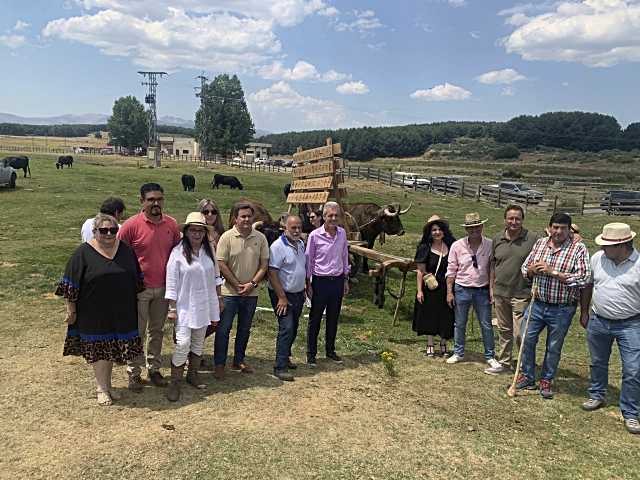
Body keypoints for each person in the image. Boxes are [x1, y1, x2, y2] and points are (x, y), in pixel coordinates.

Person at [56, 214, 143, 406]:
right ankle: (101, 388)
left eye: (113, 230)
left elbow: (136, 278)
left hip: (121, 311)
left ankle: (109, 386)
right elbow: (70, 284)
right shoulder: (83, 252)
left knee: (111, 349)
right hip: (93, 312)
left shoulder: (125, 250)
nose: (109, 234)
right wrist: (71, 310)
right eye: (103, 230)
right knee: (99, 351)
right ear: (94, 232)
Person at [516, 212, 591, 399]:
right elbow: (525, 268)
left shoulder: (578, 249)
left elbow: (584, 278)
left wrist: (554, 273)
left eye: (563, 228)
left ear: (569, 229)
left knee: (554, 346)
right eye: (555, 227)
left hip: (562, 308)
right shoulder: (541, 243)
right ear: (549, 228)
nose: (558, 231)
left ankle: (546, 379)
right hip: (537, 304)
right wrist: (531, 270)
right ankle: (527, 376)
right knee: (525, 338)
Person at [118, 183, 181, 391]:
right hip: (139, 289)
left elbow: (178, 255)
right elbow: (118, 253)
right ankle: (134, 373)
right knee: (138, 332)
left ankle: (153, 368)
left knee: (157, 330)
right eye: (151, 199)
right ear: (141, 201)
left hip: (163, 288)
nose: (156, 203)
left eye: (159, 199)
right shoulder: (131, 225)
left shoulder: (171, 225)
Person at [579, 222, 640, 434]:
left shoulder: (639, 264)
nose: (603, 248)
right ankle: (597, 395)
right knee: (598, 362)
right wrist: (585, 311)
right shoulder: (598, 258)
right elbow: (588, 285)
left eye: (607, 245)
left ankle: (631, 412)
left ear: (623, 245)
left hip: (631, 323)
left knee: (633, 369)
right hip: (599, 320)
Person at [164, 212, 223, 402]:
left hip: (205, 305)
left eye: (200, 230)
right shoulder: (177, 253)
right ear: (186, 232)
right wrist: (171, 308)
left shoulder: (209, 251)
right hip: (184, 307)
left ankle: (193, 374)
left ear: (205, 233)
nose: (197, 234)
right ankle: (175, 382)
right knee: (182, 344)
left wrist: (219, 299)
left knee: (198, 342)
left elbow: (216, 277)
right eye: (193, 230)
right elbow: (171, 283)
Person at [214, 201, 269, 378]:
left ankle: (239, 360)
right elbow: (221, 263)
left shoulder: (260, 238)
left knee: (244, 329)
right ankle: (220, 364)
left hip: (251, 293)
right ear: (235, 219)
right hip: (230, 292)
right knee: (223, 329)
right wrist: (236, 284)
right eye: (242, 216)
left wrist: (251, 284)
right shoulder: (226, 237)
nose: (246, 219)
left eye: (249, 216)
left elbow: (264, 264)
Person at [486, 205, 539, 375]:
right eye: (510, 218)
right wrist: (491, 287)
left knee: (519, 333)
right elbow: (493, 264)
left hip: (521, 293)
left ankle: (524, 365)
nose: (514, 222)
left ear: (522, 220)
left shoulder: (532, 239)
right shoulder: (497, 239)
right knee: (504, 330)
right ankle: (505, 362)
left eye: (517, 218)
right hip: (500, 292)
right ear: (505, 220)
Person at [445, 212, 499, 371]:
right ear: (466, 229)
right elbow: (451, 270)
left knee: (486, 324)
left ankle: (490, 356)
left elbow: (492, 269)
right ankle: (458, 352)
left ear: (482, 227)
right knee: (460, 323)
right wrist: (449, 291)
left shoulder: (490, 244)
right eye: (470, 227)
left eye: (477, 226)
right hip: (462, 288)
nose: (474, 230)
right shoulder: (457, 245)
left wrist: (491, 290)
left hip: (482, 290)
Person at [305, 201, 350, 367]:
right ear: (323, 217)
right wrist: (307, 283)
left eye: (336, 215)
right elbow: (309, 260)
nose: (333, 218)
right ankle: (311, 354)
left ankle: (330, 350)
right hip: (320, 281)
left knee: (333, 317)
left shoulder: (343, 234)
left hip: (337, 280)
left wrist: (345, 278)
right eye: (330, 215)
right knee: (315, 318)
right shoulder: (314, 236)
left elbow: (345, 256)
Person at [268, 214, 307, 381]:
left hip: (297, 293)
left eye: (299, 227)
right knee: (287, 327)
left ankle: (286, 356)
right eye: (293, 228)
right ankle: (280, 367)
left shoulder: (301, 244)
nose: (297, 231)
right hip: (282, 294)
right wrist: (282, 297)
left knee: (294, 326)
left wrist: (305, 287)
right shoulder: (277, 247)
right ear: (285, 228)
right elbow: (272, 273)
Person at [413, 215, 456, 357]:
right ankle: (430, 343)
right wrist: (419, 290)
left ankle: (443, 343)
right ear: (429, 232)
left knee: (446, 315)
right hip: (430, 286)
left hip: (447, 287)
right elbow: (420, 271)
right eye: (434, 230)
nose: (437, 232)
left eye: (439, 229)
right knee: (429, 314)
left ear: (444, 231)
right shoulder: (425, 247)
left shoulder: (451, 246)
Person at [197, 198, 225, 370]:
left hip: (214, 281)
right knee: (195, 318)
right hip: (196, 281)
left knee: (213, 320)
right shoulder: (194, 232)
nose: (209, 215)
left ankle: (196, 350)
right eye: (205, 211)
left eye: (213, 211)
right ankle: (189, 353)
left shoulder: (221, 234)